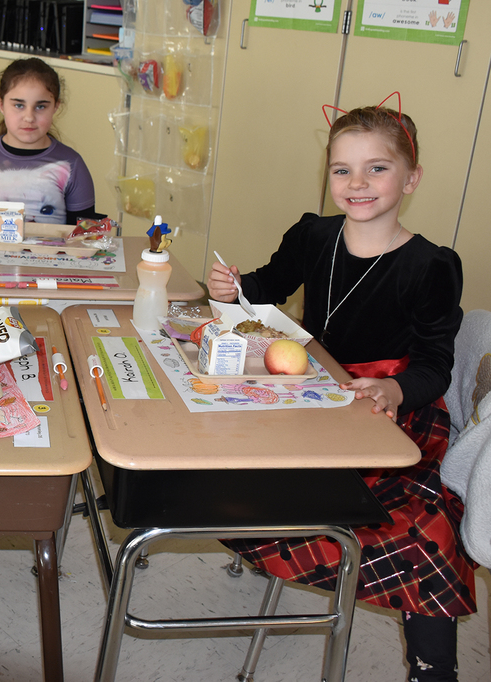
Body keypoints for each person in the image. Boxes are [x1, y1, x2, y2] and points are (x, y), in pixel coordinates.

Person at [207, 97, 473, 682]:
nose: (357, 183)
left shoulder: (431, 266)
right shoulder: (313, 234)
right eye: (341, 169)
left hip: (388, 411)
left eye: (377, 168)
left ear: (411, 178)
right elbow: (268, 285)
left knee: (426, 529)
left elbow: (435, 365)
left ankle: (434, 668)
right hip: (308, 388)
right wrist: (235, 287)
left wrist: (394, 390)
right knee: (217, 458)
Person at [0, 57, 97, 226]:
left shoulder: (72, 164)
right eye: (19, 105)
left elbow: (84, 238)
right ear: (1, 104)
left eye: (41, 106)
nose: (29, 117)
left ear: (55, 107)